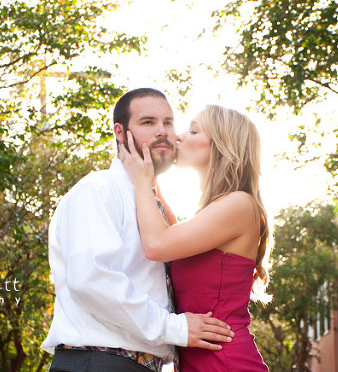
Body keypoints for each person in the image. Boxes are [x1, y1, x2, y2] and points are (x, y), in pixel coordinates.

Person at [41, 88, 234, 372]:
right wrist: (175, 328)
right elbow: (90, 279)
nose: (163, 131)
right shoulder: (98, 190)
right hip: (99, 363)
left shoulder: (150, 205)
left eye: (168, 122)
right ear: (120, 133)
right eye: (148, 122)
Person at [120, 104, 270, 372]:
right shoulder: (212, 213)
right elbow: (172, 233)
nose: (178, 136)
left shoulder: (239, 204)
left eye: (192, 130)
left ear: (222, 145)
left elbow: (158, 244)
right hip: (200, 361)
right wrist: (151, 179)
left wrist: (142, 181)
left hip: (225, 362)